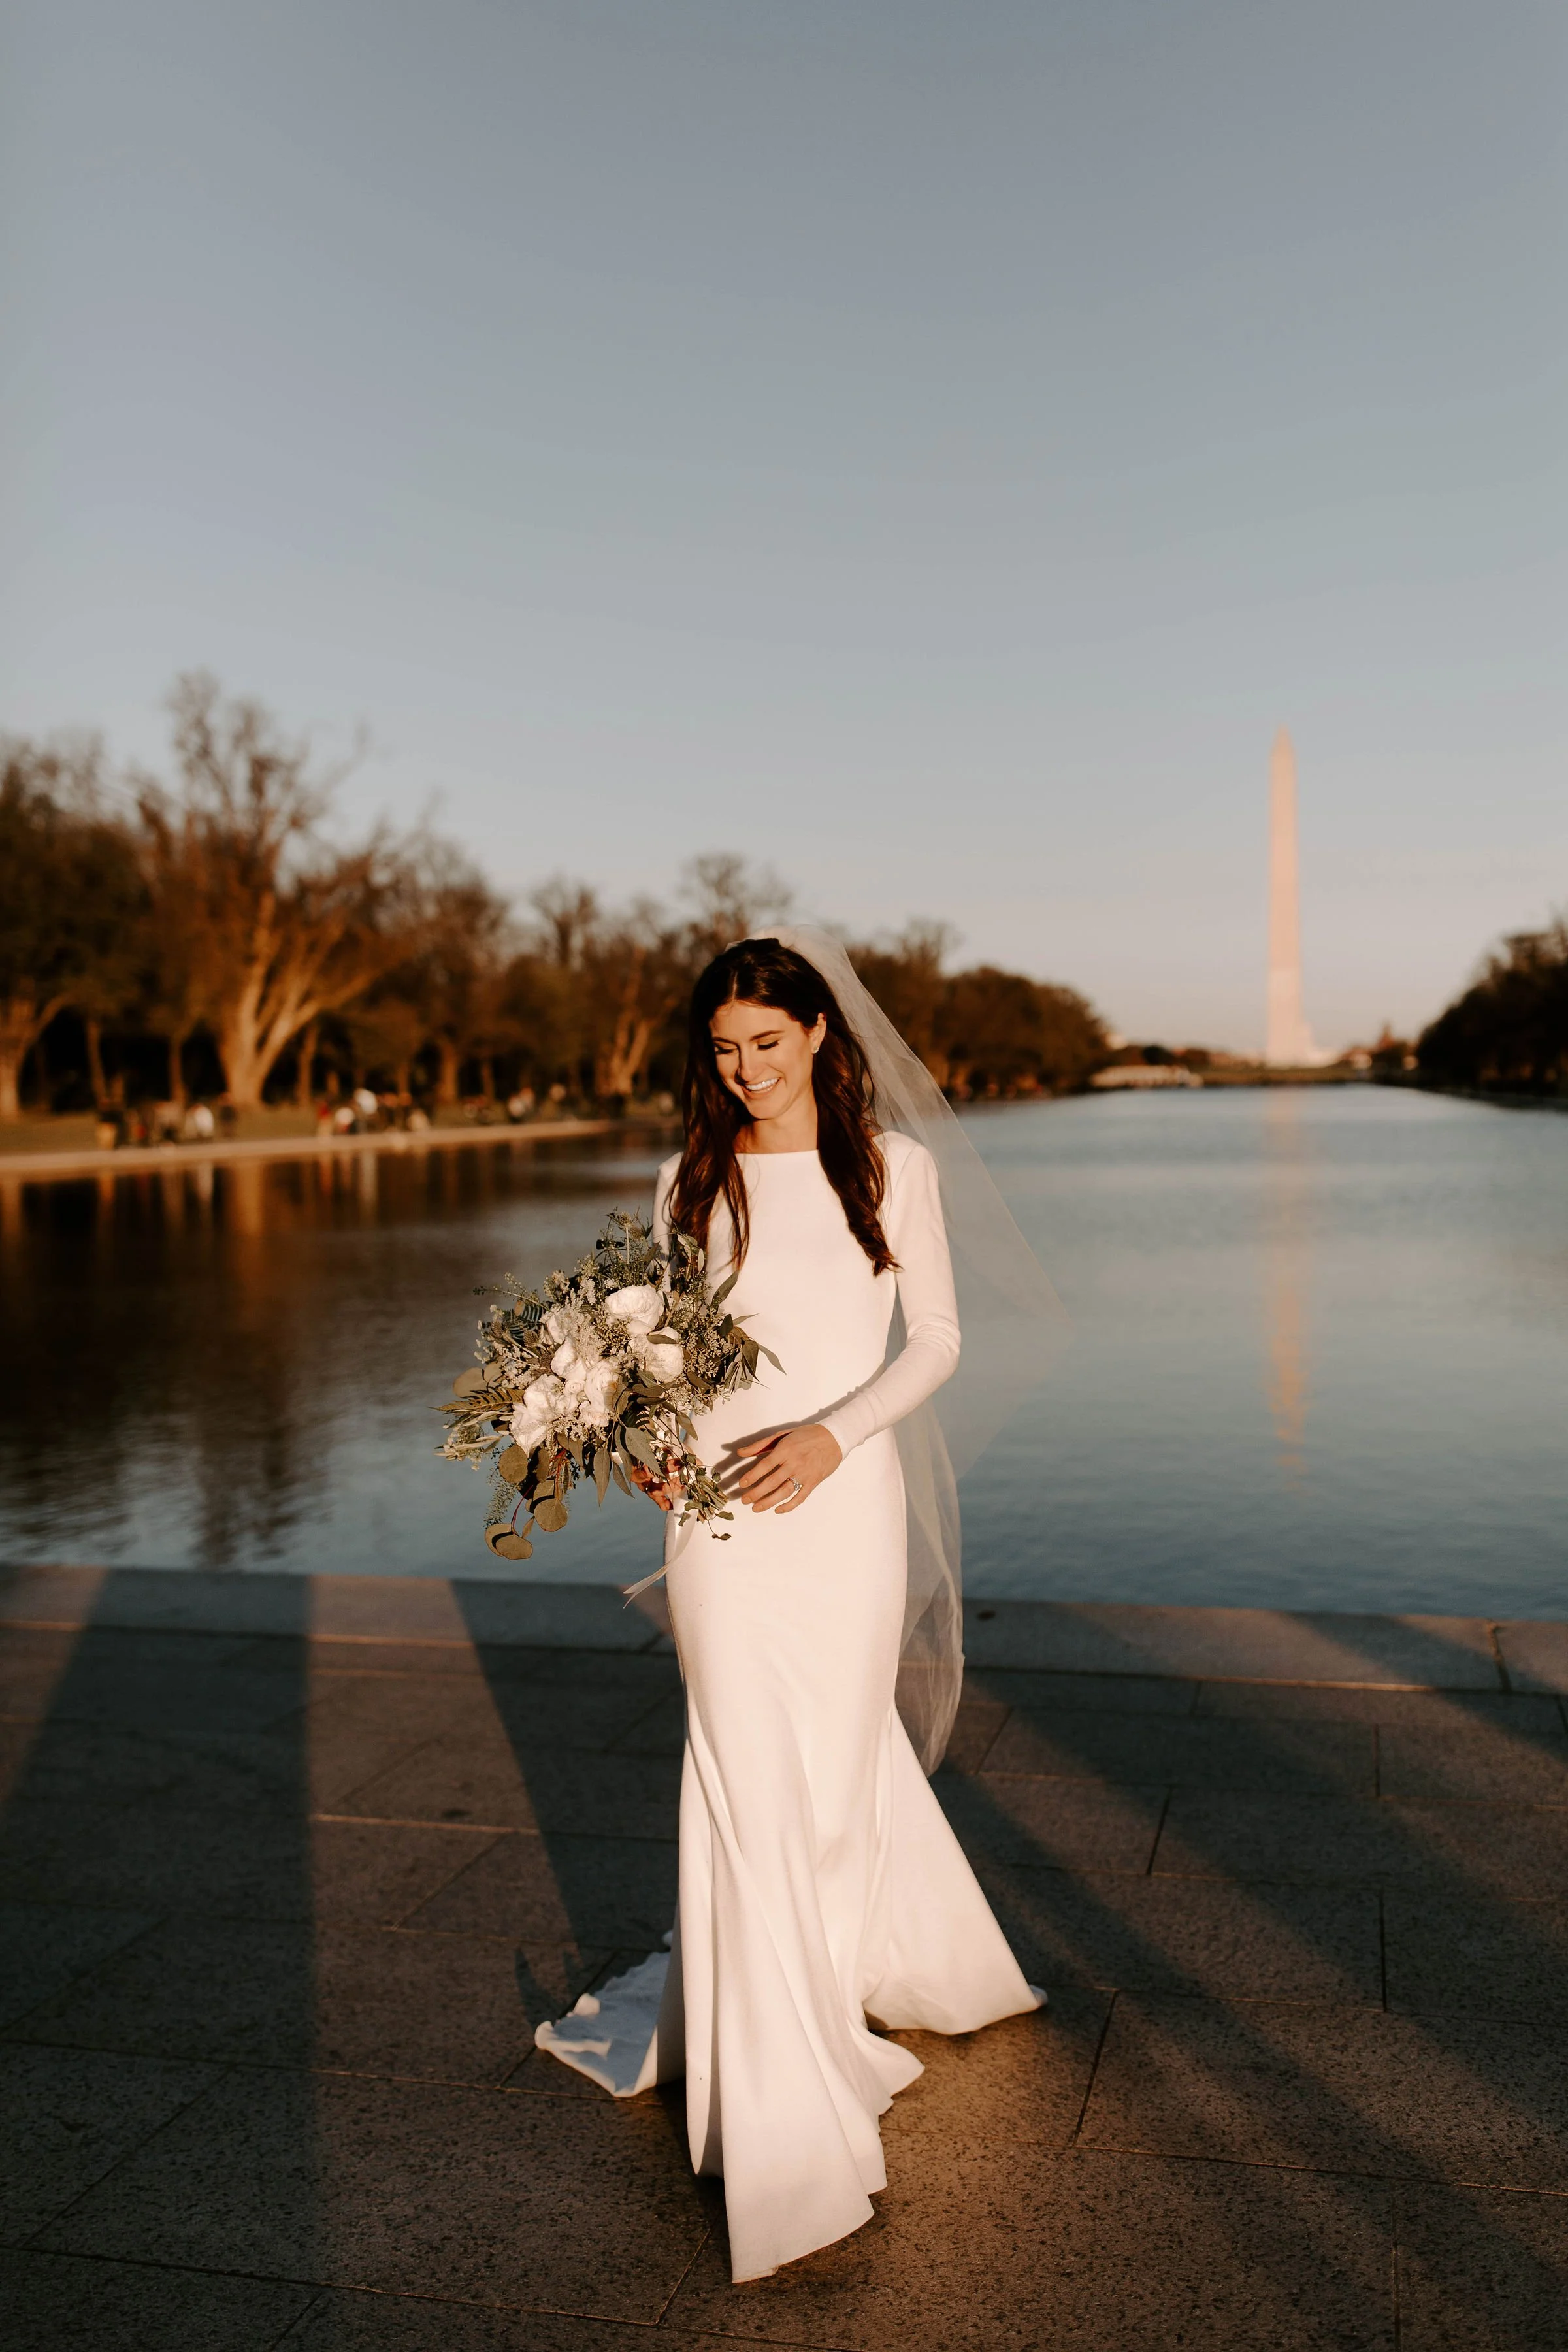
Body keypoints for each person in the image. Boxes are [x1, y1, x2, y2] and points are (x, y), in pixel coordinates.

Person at [536, 930, 1066, 2282]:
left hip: (843, 1506)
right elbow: (656, 1347)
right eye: (723, 1049)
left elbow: (937, 1340)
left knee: (827, 1772)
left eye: (768, 1042)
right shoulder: (684, 1178)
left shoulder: (895, 1170)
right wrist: (644, 1440)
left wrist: (834, 1434)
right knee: (740, 1765)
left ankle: (821, 1994)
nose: (746, 1068)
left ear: (823, 1034)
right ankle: (772, 2090)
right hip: (715, 1522)